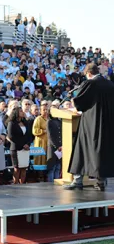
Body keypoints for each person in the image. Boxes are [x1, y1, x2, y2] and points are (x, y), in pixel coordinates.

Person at [64, 63, 114, 191]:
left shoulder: (90, 84)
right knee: (101, 153)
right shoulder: (110, 84)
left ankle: (77, 180)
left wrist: (73, 101)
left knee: (81, 150)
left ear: (89, 73)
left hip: (91, 124)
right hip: (107, 125)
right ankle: (101, 182)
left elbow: (80, 103)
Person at [7, 107, 32, 184]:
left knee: (24, 168)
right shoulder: (11, 123)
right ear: (16, 113)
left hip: (25, 148)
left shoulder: (25, 122)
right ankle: (15, 184)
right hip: (16, 148)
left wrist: (27, 144)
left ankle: (22, 184)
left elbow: (29, 135)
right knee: (17, 168)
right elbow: (11, 136)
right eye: (20, 111)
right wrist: (22, 144)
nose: (22, 112)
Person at [32, 104, 49, 181]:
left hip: (48, 142)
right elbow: (34, 131)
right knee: (40, 159)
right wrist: (44, 131)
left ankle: (46, 176)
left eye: (46, 110)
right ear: (40, 111)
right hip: (40, 142)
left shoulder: (49, 119)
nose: (45, 111)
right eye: (43, 110)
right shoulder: (38, 119)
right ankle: (39, 176)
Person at [46, 110, 62, 182]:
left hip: (60, 147)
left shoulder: (59, 121)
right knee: (52, 167)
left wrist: (61, 145)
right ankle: (51, 183)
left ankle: (57, 181)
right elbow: (50, 136)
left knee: (58, 166)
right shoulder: (49, 122)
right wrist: (56, 146)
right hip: (53, 147)